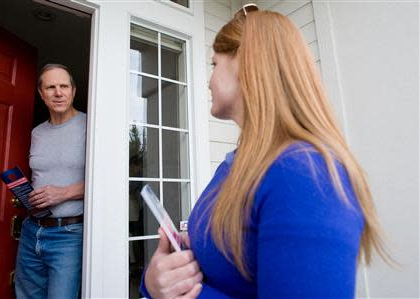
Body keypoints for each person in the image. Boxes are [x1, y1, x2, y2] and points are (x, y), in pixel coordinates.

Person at [140, 4, 391, 299]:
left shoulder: (306, 174)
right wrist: (156, 280)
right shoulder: (233, 167)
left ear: (247, 62)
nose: (208, 79)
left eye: (214, 65)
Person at [14, 64, 86, 299]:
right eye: (51, 87)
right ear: (41, 93)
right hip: (31, 230)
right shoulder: (37, 133)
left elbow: (109, 181)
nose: (58, 92)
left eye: (64, 86)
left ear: (73, 91)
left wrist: (64, 193)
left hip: (69, 235)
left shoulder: (92, 126)